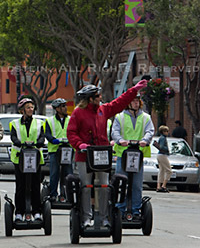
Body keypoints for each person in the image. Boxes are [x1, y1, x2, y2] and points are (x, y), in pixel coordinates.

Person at [67, 79, 148, 228]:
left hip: (101, 155)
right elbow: (71, 133)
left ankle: (103, 217)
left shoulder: (102, 110)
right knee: (86, 187)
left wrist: (134, 90)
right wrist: (80, 145)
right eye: (97, 96)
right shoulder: (78, 113)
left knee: (104, 186)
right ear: (90, 99)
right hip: (84, 156)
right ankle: (86, 218)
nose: (100, 98)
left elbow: (119, 102)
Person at [111, 94, 155, 219]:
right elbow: (115, 131)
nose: (136, 103)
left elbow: (150, 131)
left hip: (138, 155)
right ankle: (120, 208)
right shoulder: (120, 117)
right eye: (133, 101)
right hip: (123, 154)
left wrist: (145, 140)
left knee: (136, 184)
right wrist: (119, 140)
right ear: (128, 103)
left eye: (137, 101)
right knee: (122, 183)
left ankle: (135, 210)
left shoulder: (146, 117)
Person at [10, 97, 45, 221]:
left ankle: (36, 212)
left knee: (35, 185)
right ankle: (19, 212)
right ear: (22, 110)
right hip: (20, 158)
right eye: (28, 107)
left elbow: (42, 137)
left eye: (31, 107)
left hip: (35, 158)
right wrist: (19, 143)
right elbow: (13, 137)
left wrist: (38, 143)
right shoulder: (14, 123)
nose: (30, 109)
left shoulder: (40, 123)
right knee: (21, 186)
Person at [44, 98, 73, 202]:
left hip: (68, 150)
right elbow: (47, 133)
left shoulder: (70, 119)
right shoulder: (49, 120)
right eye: (63, 106)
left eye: (65, 105)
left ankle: (65, 194)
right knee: (54, 173)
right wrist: (52, 140)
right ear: (57, 108)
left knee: (68, 173)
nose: (65, 108)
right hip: (55, 150)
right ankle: (53, 194)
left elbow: (74, 132)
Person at [156, 125, 172, 192]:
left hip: (159, 155)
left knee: (161, 170)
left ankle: (158, 186)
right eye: (166, 131)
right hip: (163, 155)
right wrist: (167, 149)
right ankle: (164, 185)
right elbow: (162, 147)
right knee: (169, 170)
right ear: (163, 131)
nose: (167, 132)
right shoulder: (163, 138)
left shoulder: (161, 138)